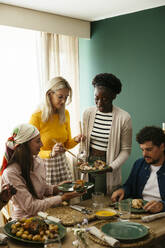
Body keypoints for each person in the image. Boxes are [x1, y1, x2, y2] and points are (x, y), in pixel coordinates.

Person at [1, 124, 81, 219]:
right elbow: (31, 207)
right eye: (38, 141)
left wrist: (57, 188)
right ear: (25, 145)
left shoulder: (37, 161)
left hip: (43, 214)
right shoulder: (11, 173)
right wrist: (62, 198)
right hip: (24, 221)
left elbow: (39, 188)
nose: (42, 144)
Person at [82, 73, 132, 195]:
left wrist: (110, 168)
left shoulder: (124, 118)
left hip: (107, 164)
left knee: (104, 200)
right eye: (96, 98)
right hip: (89, 163)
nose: (99, 103)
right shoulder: (88, 113)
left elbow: (126, 151)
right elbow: (85, 143)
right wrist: (81, 154)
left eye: (104, 99)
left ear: (114, 96)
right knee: (86, 197)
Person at [29, 76, 84, 185]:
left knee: (67, 198)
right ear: (49, 94)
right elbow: (30, 150)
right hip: (44, 166)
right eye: (60, 97)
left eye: (66, 97)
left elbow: (67, 145)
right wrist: (51, 153)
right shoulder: (36, 116)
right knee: (49, 200)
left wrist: (76, 140)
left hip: (62, 165)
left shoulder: (65, 114)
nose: (64, 101)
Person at [111, 126, 165, 213]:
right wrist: (123, 190)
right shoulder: (139, 164)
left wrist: (162, 206)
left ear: (162, 147)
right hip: (140, 213)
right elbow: (129, 186)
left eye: (149, 149)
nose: (144, 154)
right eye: (142, 150)